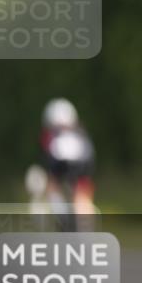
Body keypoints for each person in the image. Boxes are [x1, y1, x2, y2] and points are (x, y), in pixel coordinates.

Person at [39, 97, 96, 230]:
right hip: (80, 175)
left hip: (68, 175)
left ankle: (67, 221)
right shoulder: (82, 134)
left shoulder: (51, 136)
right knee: (81, 197)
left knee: (55, 188)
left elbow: (48, 162)